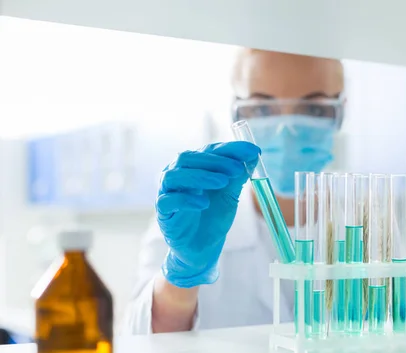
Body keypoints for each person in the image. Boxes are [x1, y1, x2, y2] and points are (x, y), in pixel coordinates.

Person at [122, 48, 345, 334]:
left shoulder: (368, 216)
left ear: (341, 112)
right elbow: (139, 341)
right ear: (237, 112)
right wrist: (182, 275)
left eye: (313, 109)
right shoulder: (194, 211)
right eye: (263, 108)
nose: (287, 130)